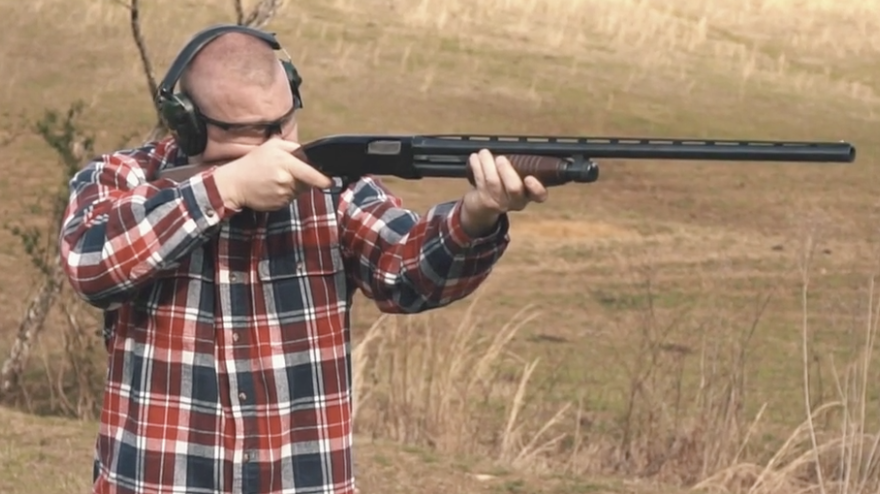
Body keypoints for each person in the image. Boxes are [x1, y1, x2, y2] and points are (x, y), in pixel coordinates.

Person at [59, 24, 548, 494]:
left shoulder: (332, 189)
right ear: (187, 123)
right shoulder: (122, 178)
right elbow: (90, 264)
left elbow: (408, 274)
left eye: (284, 122)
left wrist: (477, 214)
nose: (278, 147)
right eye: (253, 132)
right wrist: (223, 188)